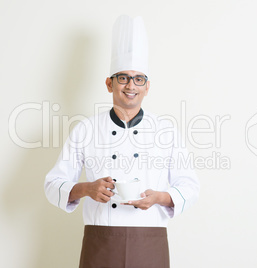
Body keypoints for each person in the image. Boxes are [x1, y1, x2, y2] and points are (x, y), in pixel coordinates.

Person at [44, 15, 200, 268]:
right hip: (101, 242)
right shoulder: (86, 129)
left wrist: (159, 197)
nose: (131, 85)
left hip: (150, 241)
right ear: (109, 83)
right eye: (123, 77)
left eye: (139, 78)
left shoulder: (166, 130)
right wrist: (87, 189)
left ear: (147, 87)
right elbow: (52, 185)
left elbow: (190, 187)